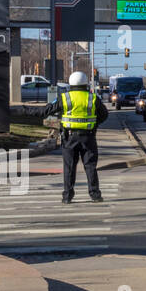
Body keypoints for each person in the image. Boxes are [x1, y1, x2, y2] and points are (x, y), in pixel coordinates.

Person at [43, 71, 108, 204]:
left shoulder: (64, 97)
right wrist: (94, 125)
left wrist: (23, 110)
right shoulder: (93, 98)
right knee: (90, 167)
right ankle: (95, 195)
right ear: (86, 83)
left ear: (70, 84)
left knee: (69, 168)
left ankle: (67, 196)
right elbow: (104, 114)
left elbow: (47, 110)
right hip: (88, 137)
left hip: (69, 138)